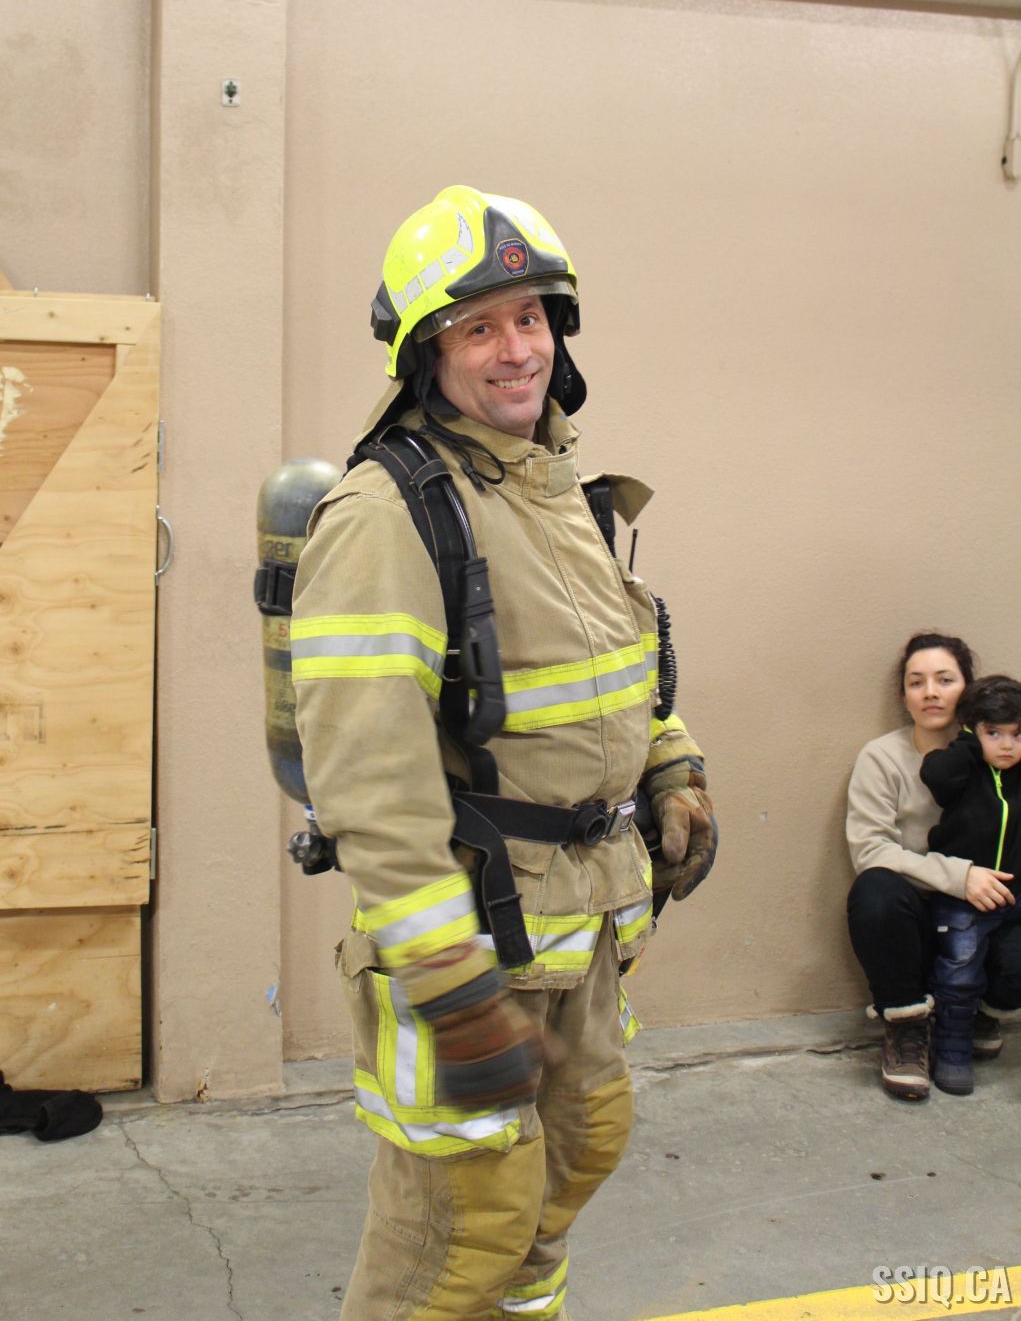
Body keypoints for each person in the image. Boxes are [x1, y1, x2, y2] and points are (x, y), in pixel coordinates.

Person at [291, 185, 717, 1321]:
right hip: (477, 952)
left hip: (586, 937)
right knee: (455, 1242)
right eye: (476, 327)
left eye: (530, 317)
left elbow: (615, 674)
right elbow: (369, 786)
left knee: (564, 1180)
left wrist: (672, 765)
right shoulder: (387, 515)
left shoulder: (553, 487)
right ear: (426, 357)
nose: (515, 348)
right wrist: (450, 985)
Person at [845, 632, 979, 1101]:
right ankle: (907, 1028)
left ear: (967, 689)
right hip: (917, 919)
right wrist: (959, 877)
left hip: (983, 913)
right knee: (874, 892)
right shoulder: (881, 757)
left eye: (945, 680)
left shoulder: (996, 752)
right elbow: (870, 850)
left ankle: (980, 1010)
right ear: (903, 696)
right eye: (916, 682)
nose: (931, 693)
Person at [922, 675, 1021, 1095]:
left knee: (1016, 968)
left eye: (1018, 734)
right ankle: (952, 1049)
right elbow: (936, 776)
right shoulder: (962, 769)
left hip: (1015, 897)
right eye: (993, 733)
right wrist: (968, 742)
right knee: (959, 974)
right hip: (962, 898)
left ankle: (986, 1014)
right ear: (971, 730)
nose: (1007, 745)